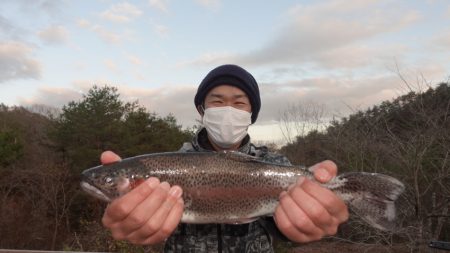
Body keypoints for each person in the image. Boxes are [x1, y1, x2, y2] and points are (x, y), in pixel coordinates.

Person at [100, 64, 349, 252]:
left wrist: (299, 226)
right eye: (217, 101)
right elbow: (149, 225)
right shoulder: (172, 164)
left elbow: (286, 226)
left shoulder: (276, 165)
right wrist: (137, 224)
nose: (228, 109)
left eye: (239, 103)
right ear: (202, 110)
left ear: (251, 114)